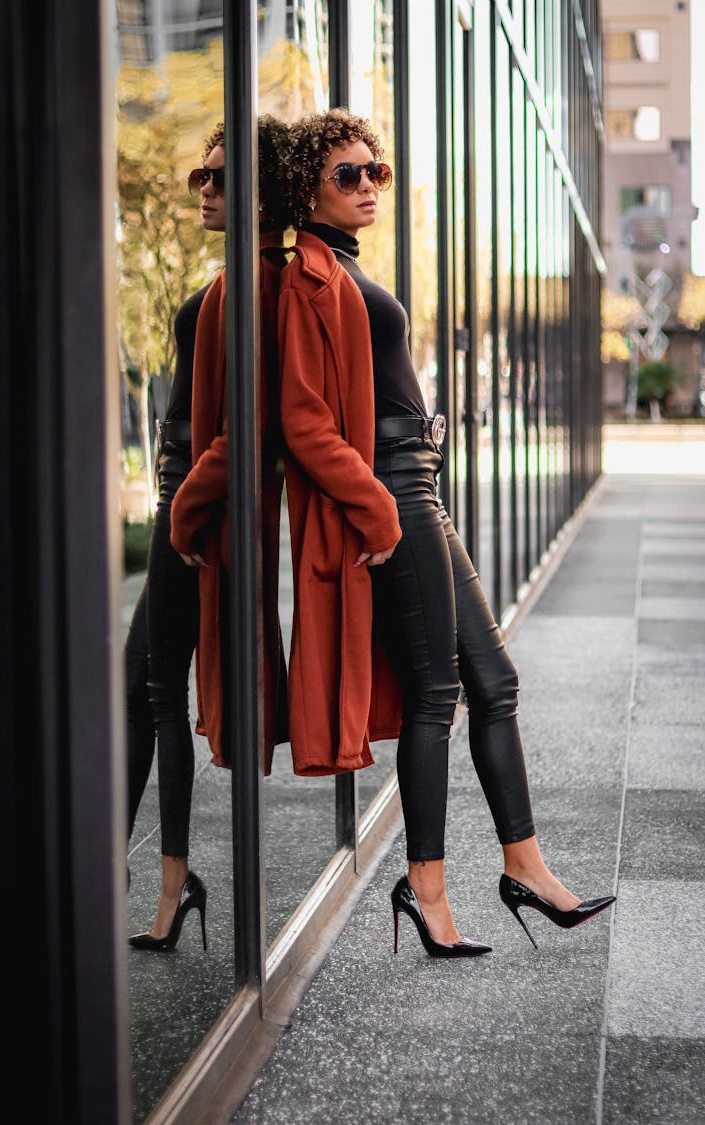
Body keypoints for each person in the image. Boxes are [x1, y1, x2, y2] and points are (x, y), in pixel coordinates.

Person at [277, 108, 614, 957]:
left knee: (492, 680)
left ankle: (524, 867)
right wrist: (381, 508)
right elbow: (302, 418)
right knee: (441, 693)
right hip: (391, 491)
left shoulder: (346, 268)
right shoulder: (304, 278)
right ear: (307, 186)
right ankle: (428, 889)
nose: (367, 187)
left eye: (375, 172)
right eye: (347, 174)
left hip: (416, 483)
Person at [126, 115, 290, 952]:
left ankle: (167, 883)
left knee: (156, 694)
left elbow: (250, 428)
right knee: (143, 689)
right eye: (203, 175)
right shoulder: (234, 281)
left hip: (190, 508)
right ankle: (153, 877)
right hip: (181, 499)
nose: (204, 190)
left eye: (219, 178)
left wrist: (187, 511)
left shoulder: (255, 284)